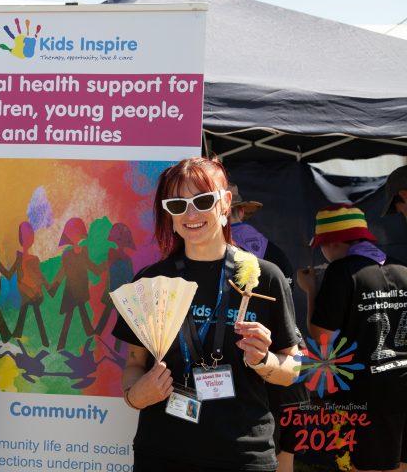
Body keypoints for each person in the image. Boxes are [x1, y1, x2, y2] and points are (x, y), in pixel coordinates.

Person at [113, 157, 300, 472]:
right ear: (167, 213)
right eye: (177, 204)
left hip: (243, 455)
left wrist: (263, 361)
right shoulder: (150, 282)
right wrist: (136, 395)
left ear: (225, 203)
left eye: (202, 201)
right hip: (162, 452)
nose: (191, 213)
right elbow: (134, 363)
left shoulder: (263, 276)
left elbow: (292, 367)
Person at [297, 205, 407, 472]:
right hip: (403, 385)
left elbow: (323, 335)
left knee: (359, 465)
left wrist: (310, 292)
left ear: (332, 242)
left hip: (363, 393)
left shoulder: (342, 271)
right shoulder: (402, 269)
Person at [229, 181, 309, 472]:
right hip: (284, 358)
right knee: (283, 454)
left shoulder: (218, 255)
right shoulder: (275, 253)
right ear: (242, 212)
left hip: (242, 368)